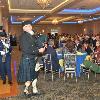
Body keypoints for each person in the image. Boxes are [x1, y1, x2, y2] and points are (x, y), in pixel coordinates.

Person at [17, 21, 45, 97]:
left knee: (35, 75)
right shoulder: (23, 36)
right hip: (27, 59)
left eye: (31, 26)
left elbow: (39, 44)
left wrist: (34, 36)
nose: (30, 27)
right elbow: (26, 49)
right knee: (28, 77)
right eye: (28, 26)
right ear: (24, 28)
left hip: (35, 58)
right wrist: (38, 50)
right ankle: (26, 90)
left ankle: (34, 90)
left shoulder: (32, 35)